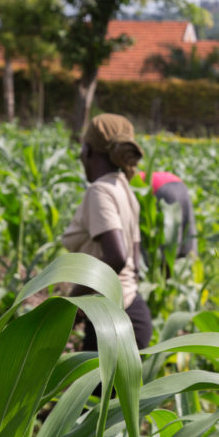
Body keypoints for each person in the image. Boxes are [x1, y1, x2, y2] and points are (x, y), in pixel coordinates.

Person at [63, 113, 153, 350]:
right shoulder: (124, 188)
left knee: (93, 388)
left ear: (88, 151)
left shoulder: (100, 191)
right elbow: (134, 257)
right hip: (129, 316)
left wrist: (72, 304)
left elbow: (117, 256)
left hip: (113, 322)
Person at [138, 170, 197, 258]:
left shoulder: (126, 183)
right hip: (180, 184)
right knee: (187, 239)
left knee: (166, 251)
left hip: (159, 189)